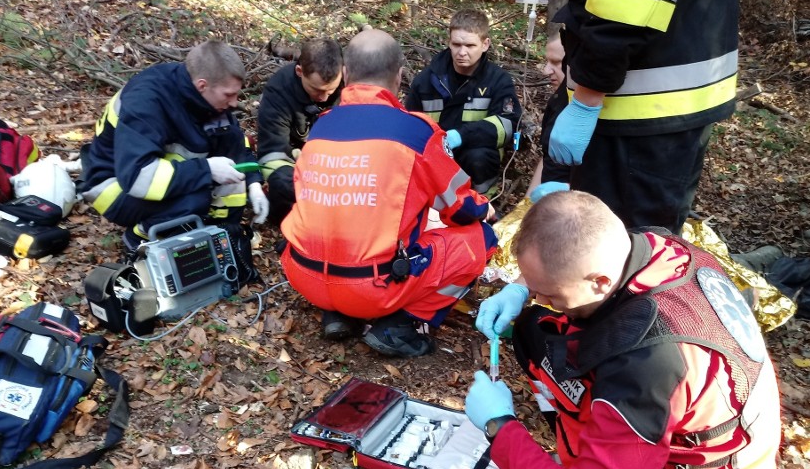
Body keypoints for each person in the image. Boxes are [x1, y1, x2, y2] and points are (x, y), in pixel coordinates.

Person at [448, 190, 781, 469]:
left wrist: (501, 428)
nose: (542, 299)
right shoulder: (648, 247)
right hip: (690, 437)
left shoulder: (646, 364)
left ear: (600, 282)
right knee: (534, 331)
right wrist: (520, 290)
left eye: (547, 291)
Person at [280, 29, 498, 357]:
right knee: (481, 238)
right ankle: (403, 325)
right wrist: (484, 208)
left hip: (303, 274)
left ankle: (338, 313)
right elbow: (461, 208)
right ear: (399, 77)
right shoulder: (416, 132)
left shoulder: (321, 127)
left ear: (346, 75)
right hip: (369, 287)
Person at [543, 0, 740, 233]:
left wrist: (586, 100)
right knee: (646, 238)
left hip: (634, 118)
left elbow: (624, 7)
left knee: (619, 240)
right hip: (664, 108)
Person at [80, 41, 269, 254]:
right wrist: (206, 170)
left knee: (229, 178)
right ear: (202, 85)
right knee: (197, 196)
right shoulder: (147, 101)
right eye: (228, 95)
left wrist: (253, 184)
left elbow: (234, 144)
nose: (235, 103)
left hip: (147, 176)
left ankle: (214, 232)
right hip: (112, 185)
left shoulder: (206, 100)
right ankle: (140, 237)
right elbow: (137, 177)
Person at [404, 9, 521, 194]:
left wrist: (461, 136)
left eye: (470, 45)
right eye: (456, 44)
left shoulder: (498, 80)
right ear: (448, 42)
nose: (462, 52)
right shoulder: (426, 80)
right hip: (433, 156)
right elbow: (409, 125)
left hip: (476, 157)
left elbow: (508, 125)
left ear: (485, 44)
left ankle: (483, 206)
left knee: (478, 156)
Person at [256, 37, 343, 226]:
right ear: (299, 71)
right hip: (294, 164)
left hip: (339, 164)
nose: (324, 97)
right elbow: (272, 152)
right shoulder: (279, 90)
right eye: (316, 90)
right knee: (283, 184)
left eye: (331, 90)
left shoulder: (349, 86)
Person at [526, 35, 570, 199]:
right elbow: (547, 156)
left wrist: (569, 189)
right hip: (548, 201)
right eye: (547, 62)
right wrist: (526, 205)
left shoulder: (592, 109)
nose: (546, 70)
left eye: (556, 63)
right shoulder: (557, 100)